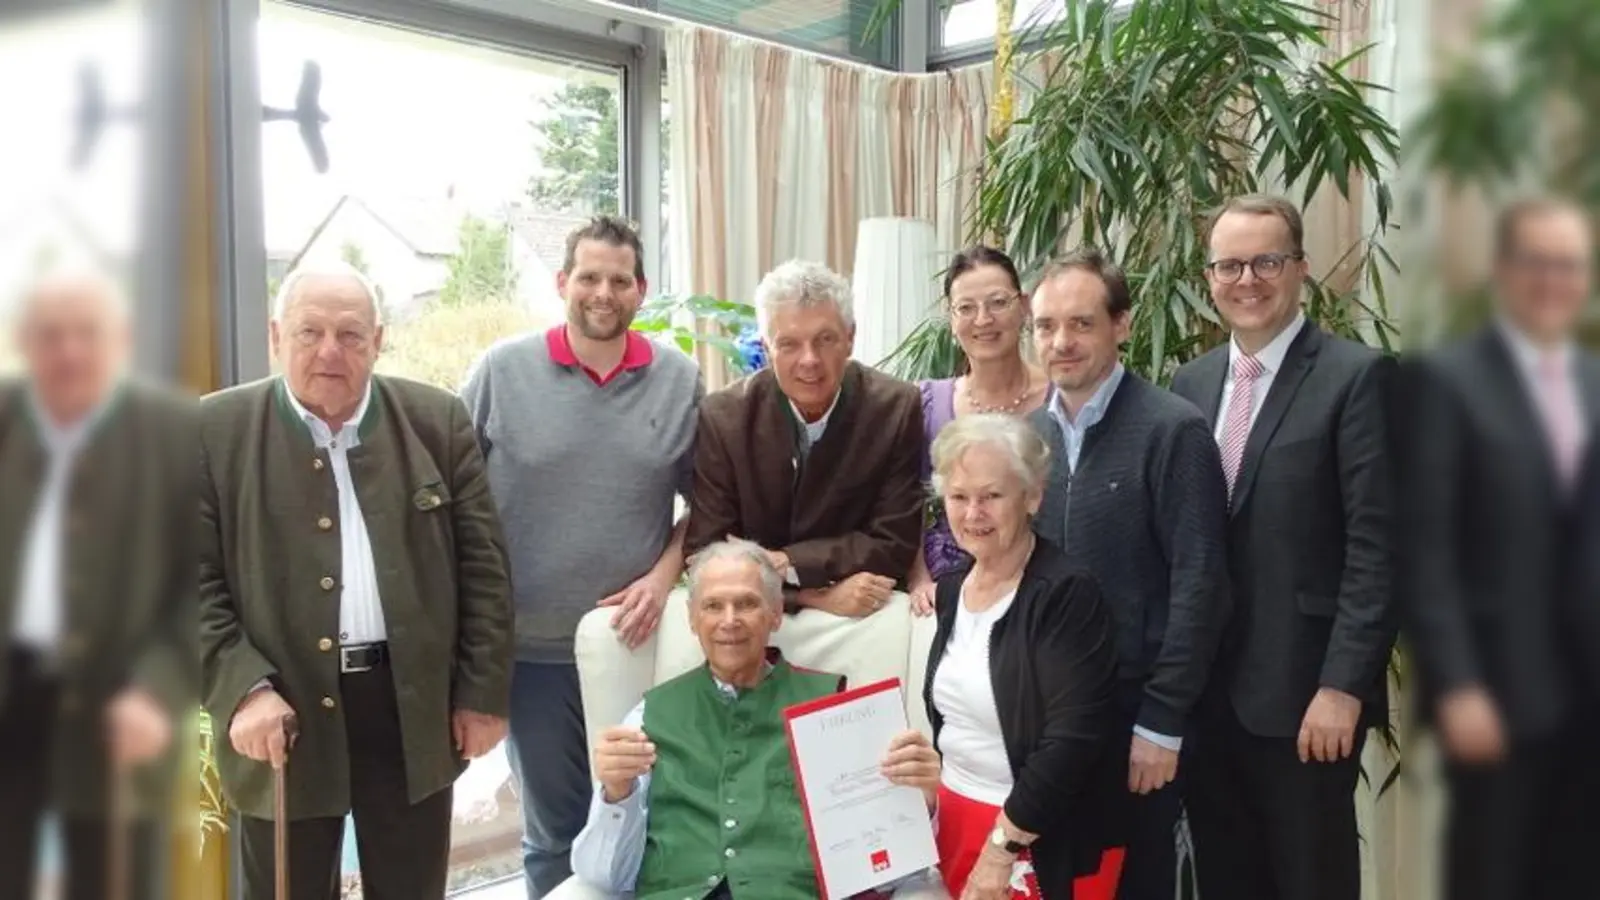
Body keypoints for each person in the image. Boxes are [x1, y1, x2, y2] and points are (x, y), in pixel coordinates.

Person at [199, 262, 514, 900]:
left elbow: (484, 569)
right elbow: (186, 583)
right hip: (283, 709)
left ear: (380, 339)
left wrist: (481, 692)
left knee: (411, 886)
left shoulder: (436, 419)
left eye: (350, 334)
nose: (328, 351)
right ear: (275, 336)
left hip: (410, 706)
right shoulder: (213, 430)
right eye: (309, 332)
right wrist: (242, 690)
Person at [461, 216, 702, 896]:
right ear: (563, 282)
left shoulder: (679, 380)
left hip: (636, 644)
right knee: (555, 834)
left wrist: (662, 579)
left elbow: (708, 506)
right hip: (529, 651)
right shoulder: (501, 373)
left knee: (640, 819)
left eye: (619, 280)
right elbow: (451, 503)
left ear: (641, 290)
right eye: (589, 277)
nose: (603, 292)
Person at [1171, 194, 1395, 900]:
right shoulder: (1190, 384)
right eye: (1230, 264)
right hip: (1208, 701)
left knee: (1312, 882)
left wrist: (1341, 687)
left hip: (1305, 701)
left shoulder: (1357, 378)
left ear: (1299, 269)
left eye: (1267, 260)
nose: (1248, 279)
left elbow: (1379, 548)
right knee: (1227, 882)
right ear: (1208, 277)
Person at [1396, 197, 1598, 900]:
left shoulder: (1594, 382)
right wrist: (1457, 684)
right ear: (1505, 272)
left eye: (1569, 265)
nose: (1554, 280)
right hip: (1498, 701)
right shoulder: (1450, 381)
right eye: (1538, 263)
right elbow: (1424, 548)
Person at [569, 538, 944, 899]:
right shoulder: (647, 718)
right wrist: (617, 795)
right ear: (692, 619)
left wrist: (919, 801)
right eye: (713, 606)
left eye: (746, 604)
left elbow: (890, 871)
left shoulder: (834, 712)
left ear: (776, 614)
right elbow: (605, 878)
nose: (729, 621)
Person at [1024, 247, 1231, 900]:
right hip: (1054, 724)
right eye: (1046, 326)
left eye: (1082, 323)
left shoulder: (1174, 430)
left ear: (1122, 325)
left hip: (1138, 724)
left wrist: (1162, 721)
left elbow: (1202, 584)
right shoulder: (1029, 440)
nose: (1061, 341)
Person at [0, 269, 193, 900]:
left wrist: (157, 693)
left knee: (114, 884)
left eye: (88, 333)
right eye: (51, 335)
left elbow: (201, 587)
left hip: (119, 700)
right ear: (24, 341)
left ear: (123, 340)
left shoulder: (174, 432)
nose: (70, 351)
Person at [923, 414, 1120, 899]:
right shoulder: (951, 591)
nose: (973, 514)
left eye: (992, 496)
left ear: (1032, 497)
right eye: (959, 497)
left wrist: (1000, 848)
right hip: (956, 821)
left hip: (1031, 840)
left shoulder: (1066, 593)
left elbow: (1071, 742)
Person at [685, 259, 924, 618]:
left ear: (850, 338)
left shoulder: (895, 407)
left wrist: (786, 561)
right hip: (755, 619)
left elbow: (894, 543)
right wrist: (814, 598)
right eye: (789, 344)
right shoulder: (724, 418)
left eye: (825, 340)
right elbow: (707, 553)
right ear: (767, 348)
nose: (809, 360)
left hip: (862, 618)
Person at [908, 247, 1052, 615]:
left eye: (997, 303)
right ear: (951, 318)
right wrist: (918, 579)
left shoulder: (1062, 399)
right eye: (966, 308)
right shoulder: (925, 402)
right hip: (946, 586)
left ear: (1023, 306)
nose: (983, 319)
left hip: (1044, 585)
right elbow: (903, 501)